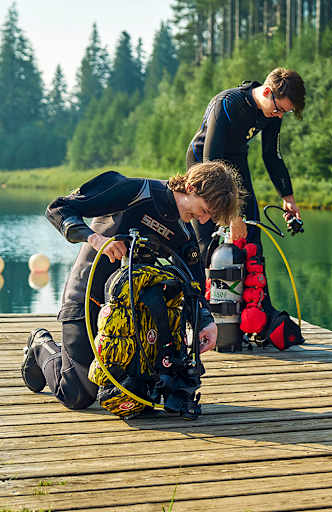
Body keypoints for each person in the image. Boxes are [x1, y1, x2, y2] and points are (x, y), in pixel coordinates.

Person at [20, 161, 243, 410]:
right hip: (86, 296)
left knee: (137, 392)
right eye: (203, 210)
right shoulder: (134, 192)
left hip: (128, 319)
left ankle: (78, 356)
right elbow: (58, 208)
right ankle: (40, 344)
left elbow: (194, 286)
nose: (202, 220)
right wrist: (96, 239)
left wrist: (206, 321)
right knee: (78, 394)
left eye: (209, 217)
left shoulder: (184, 234)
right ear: (191, 187)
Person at [187, 67, 305, 254]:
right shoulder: (228, 103)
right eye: (279, 109)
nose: (280, 115)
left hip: (236, 160)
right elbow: (211, 162)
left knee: (252, 234)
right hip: (204, 163)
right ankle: (201, 279)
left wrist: (288, 197)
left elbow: (272, 155)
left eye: (285, 112)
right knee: (206, 239)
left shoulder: (272, 112)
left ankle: (254, 282)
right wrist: (231, 215)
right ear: (267, 92)